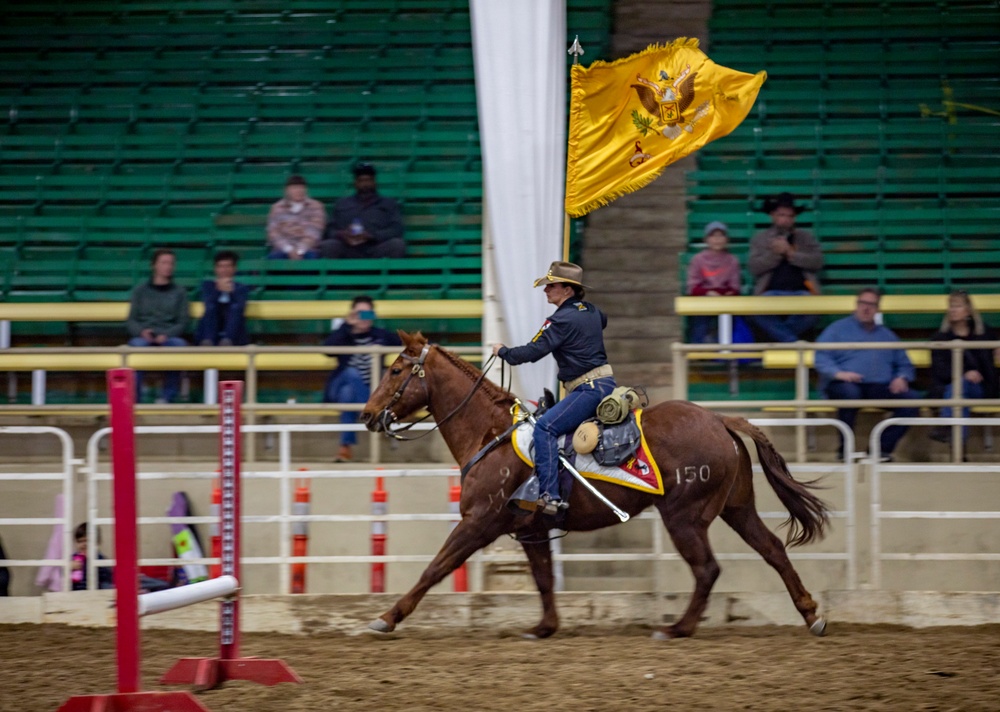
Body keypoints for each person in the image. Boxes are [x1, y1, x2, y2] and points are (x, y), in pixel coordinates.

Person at [492, 261, 616, 514]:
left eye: (551, 286)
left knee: (545, 428)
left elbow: (531, 351)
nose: (546, 290)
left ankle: (550, 495)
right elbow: (601, 322)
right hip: (605, 383)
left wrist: (503, 352)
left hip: (587, 388)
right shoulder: (594, 311)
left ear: (568, 290)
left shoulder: (559, 320)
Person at [814, 287, 920, 461]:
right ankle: (844, 451)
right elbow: (820, 356)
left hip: (878, 386)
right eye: (862, 303)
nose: (866, 308)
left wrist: (901, 377)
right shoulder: (837, 329)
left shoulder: (887, 336)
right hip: (844, 384)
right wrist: (838, 373)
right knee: (850, 393)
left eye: (871, 304)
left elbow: (905, 364)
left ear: (878, 309)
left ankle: (880, 450)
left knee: (912, 400)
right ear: (856, 305)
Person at [322, 295, 402, 462]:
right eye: (360, 314)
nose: (364, 318)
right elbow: (327, 349)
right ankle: (372, 413)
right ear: (352, 314)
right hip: (339, 384)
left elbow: (406, 344)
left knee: (347, 394)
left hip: (365, 388)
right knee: (351, 373)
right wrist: (347, 326)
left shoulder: (380, 336)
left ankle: (345, 448)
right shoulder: (344, 334)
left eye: (368, 314)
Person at [748, 192, 824, 342]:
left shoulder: (806, 237)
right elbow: (754, 267)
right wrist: (775, 254)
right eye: (782, 215)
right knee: (755, 311)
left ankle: (781, 341)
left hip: (802, 292)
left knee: (815, 309)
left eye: (790, 216)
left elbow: (817, 262)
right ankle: (792, 342)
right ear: (773, 216)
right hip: (770, 292)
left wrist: (791, 253)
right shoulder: (760, 238)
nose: (786, 220)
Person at [929, 290, 999, 444]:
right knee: (960, 396)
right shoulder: (940, 338)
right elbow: (939, 370)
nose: (953, 310)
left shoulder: (984, 334)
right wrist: (964, 373)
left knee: (959, 392)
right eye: (951, 306)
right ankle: (959, 451)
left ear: (968, 311)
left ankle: (947, 426)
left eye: (957, 306)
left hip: (981, 387)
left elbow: (991, 358)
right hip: (950, 387)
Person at [126, 248, 189, 403]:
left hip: (169, 336)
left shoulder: (180, 292)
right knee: (136, 348)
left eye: (171, 263)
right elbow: (131, 320)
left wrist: (167, 334)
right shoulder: (139, 291)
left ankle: (168, 397)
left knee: (178, 346)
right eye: (164, 262)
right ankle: (135, 400)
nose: (168, 266)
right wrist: (141, 332)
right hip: (144, 336)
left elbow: (183, 321)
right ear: (153, 265)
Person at [319, 162, 405, 259]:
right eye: (361, 181)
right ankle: (335, 274)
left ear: (374, 182)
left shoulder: (389, 203)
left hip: (376, 247)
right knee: (328, 245)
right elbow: (330, 230)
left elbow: (396, 229)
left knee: (397, 245)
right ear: (355, 183)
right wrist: (343, 234)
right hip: (349, 248)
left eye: (368, 180)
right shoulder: (342, 204)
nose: (365, 184)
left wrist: (372, 236)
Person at [686, 220, 742, 343]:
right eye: (713, 236)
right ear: (706, 239)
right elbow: (692, 286)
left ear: (727, 239)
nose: (717, 240)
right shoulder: (698, 260)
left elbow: (735, 286)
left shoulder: (732, 260)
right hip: (703, 300)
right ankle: (698, 350)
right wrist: (707, 293)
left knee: (731, 317)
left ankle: (726, 352)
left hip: (726, 301)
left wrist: (726, 294)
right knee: (700, 317)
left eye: (721, 235)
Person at [195, 250, 251, 346]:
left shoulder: (241, 288)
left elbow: (241, 306)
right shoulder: (207, 286)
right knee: (211, 307)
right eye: (221, 266)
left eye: (228, 266)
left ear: (234, 269)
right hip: (212, 323)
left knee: (235, 307)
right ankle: (208, 341)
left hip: (234, 329)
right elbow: (208, 303)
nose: (224, 270)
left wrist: (231, 292)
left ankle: (227, 340)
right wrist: (218, 290)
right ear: (215, 269)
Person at [266, 174, 326, 259]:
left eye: (301, 188)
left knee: (312, 258)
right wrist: (288, 249)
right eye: (294, 188)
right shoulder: (276, 208)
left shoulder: (316, 206)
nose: (298, 191)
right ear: (287, 190)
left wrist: (300, 250)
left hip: (308, 250)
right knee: (273, 258)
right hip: (282, 249)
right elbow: (273, 232)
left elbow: (314, 232)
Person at [71, 523, 114, 591]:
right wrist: (69, 567)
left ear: (97, 542)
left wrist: (91, 559)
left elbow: (106, 578)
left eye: (87, 541)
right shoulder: (73, 558)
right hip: (76, 593)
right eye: (80, 541)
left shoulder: (99, 558)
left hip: (96, 593)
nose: (84, 544)